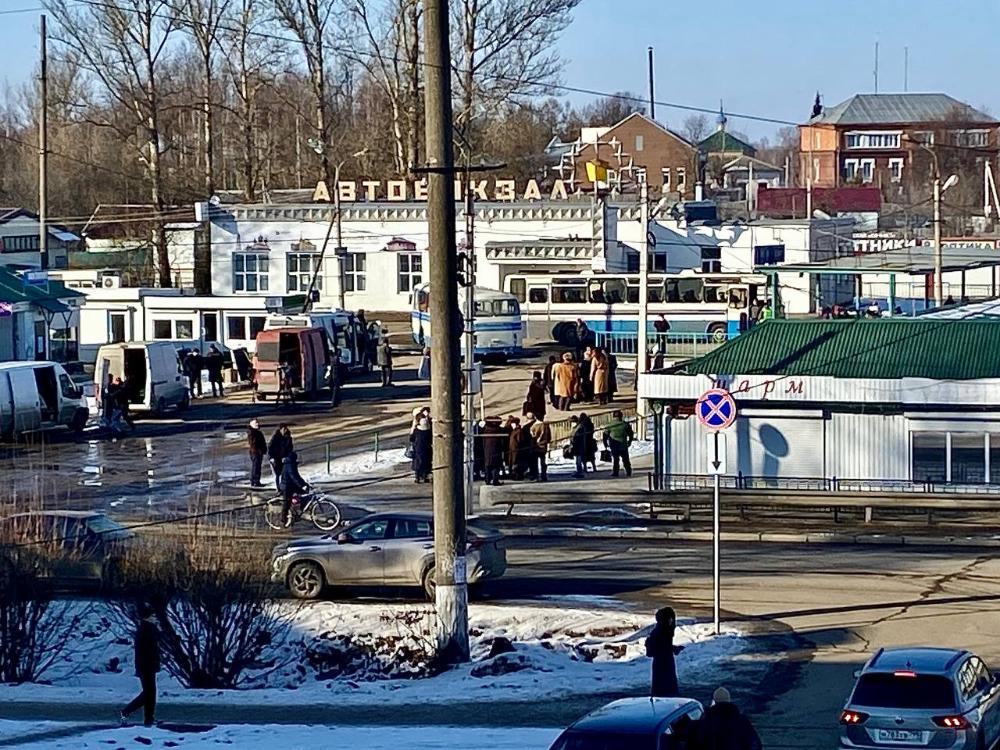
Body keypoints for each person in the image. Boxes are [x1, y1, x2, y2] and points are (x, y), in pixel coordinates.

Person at [120, 602, 160, 727]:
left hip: (147, 665)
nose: (156, 617)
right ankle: (127, 711)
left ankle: (149, 718)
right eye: (153, 615)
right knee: (149, 693)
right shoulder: (146, 630)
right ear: (147, 617)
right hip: (146, 665)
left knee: (150, 692)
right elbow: (147, 650)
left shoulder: (147, 629)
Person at [691, 687, 762, 750]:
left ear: (714, 701)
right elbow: (755, 744)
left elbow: (694, 744)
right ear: (729, 700)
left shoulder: (704, 724)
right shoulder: (742, 722)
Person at [645, 606, 683, 698]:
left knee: (663, 686)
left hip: (663, 661)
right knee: (665, 687)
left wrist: (672, 648)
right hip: (663, 662)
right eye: (670, 619)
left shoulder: (663, 630)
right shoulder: (662, 631)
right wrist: (672, 649)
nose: (671, 621)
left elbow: (663, 645)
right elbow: (660, 647)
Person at [279, 451, 309, 527]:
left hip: (291, 485)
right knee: (287, 503)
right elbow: (294, 476)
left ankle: (299, 511)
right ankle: (283, 519)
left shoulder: (290, 463)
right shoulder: (290, 465)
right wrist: (302, 485)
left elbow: (296, 476)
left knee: (305, 494)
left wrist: (304, 484)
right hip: (286, 486)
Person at [604, 410, 635, 478]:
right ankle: (628, 471)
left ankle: (615, 472)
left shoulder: (610, 425)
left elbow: (605, 435)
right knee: (626, 459)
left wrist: (605, 444)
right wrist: (629, 441)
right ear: (621, 416)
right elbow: (631, 434)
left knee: (616, 459)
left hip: (614, 445)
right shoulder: (625, 424)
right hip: (623, 445)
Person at [268, 424, 293, 492]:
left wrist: (287, 456)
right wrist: (271, 457)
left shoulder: (288, 437)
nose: (285, 430)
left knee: (284, 473)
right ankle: (278, 487)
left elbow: (290, 448)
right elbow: (270, 448)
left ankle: (283, 487)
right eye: (283, 429)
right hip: (276, 458)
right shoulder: (275, 437)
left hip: (284, 458)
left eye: (286, 429)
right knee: (277, 474)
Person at [482, 416, 505, 486]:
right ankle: (495, 480)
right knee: (496, 466)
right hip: (496, 450)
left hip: (487, 450)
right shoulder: (499, 430)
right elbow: (502, 442)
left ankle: (487, 480)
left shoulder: (486, 430)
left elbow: (483, 442)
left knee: (488, 465)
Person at [529, 416, 552, 482]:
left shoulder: (533, 426)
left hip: (535, 446)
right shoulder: (546, 426)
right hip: (543, 446)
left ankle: (536, 476)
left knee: (535, 462)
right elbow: (549, 437)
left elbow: (532, 436)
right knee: (543, 461)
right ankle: (543, 475)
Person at [247, 418, 267, 488]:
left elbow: (262, 442)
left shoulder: (258, 433)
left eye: (257, 423)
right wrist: (258, 450)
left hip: (259, 452)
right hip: (255, 452)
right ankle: (254, 481)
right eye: (255, 423)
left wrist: (264, 450)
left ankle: (256, 481)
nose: (257, 424)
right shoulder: (252, 433)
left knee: (258, 467)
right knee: (255, 467)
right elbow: (253, 443)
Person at [412, 416, 432, 483]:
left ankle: (417, 477)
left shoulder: (417, 430)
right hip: (427, 449)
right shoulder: (429, 431)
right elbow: (431, 440)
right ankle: (425, 476)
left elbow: (411, 438)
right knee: (426, 462)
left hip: (418, 448)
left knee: (418, 462)